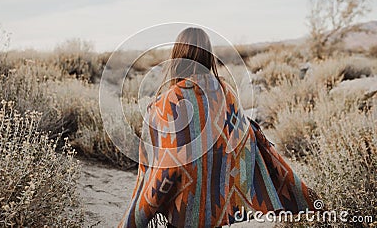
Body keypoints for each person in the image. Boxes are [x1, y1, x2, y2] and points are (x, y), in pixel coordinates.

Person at [118, 27, 319, 228]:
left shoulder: (169, 100)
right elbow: (245, 138)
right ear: (208, 55)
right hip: (218, 202)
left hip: (183, 201)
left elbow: (160, 156)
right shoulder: (226, 92)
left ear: (178, 56)